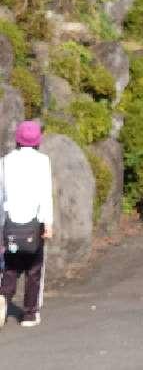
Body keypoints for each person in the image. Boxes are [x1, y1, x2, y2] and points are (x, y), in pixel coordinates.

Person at [0, 121, 53, 329]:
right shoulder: (42, 161)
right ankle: (29, 314)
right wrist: (48, 223)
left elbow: (0, 194)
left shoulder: (5, 161)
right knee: (34, 269)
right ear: (37, 141)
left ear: (18, 139)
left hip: (10, 222)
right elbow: (45, 195)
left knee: (10, 267)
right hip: (34, 223)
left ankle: (3, 296)